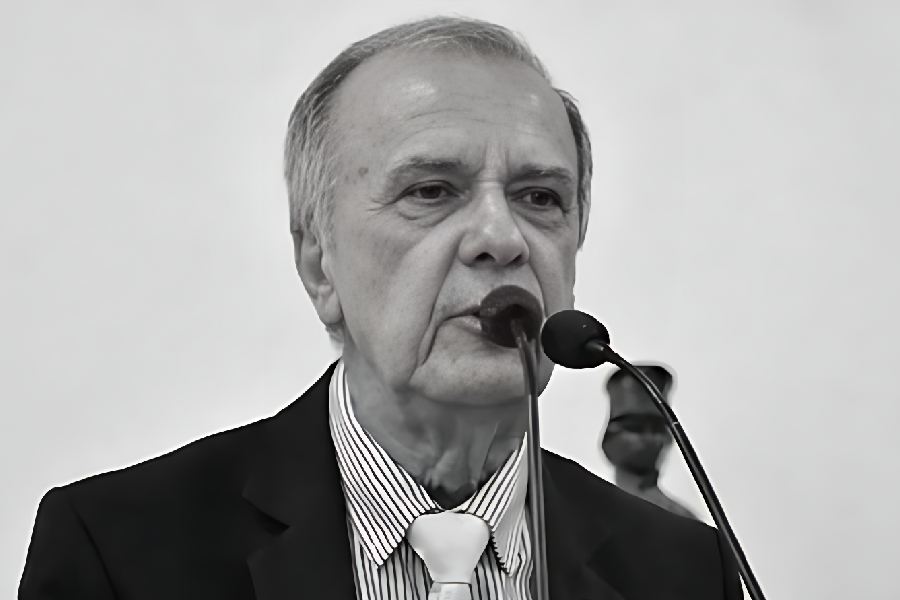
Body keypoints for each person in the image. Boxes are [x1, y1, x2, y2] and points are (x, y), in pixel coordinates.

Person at [19, 16, 742, 600]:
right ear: (319, 263)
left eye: (540, 197)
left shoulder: (684, 571)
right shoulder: (117, 553)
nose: (502, 237)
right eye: (431, 190)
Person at [600, 364, 697, 519]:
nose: (651, 438)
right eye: (635, 427)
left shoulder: (682, 519)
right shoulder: (590, 510)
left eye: (659, 428)